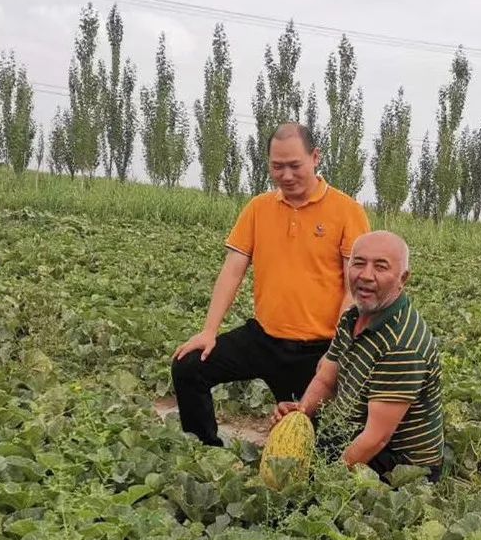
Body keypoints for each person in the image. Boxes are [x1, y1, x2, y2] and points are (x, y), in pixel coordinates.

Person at [171, 122, 371, 447]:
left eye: (295, 165)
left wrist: (336, 351)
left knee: (317, 447)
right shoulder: (258, 208)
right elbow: (232, 271)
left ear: (315, 157)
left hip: (316, 350)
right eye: (277, 167)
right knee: (189, 366)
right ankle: (206, 452)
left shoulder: (347, 212)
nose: (286, 175)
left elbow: (354, 287)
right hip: (263, 339)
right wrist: (209, 331)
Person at [272, 230, 444, 484]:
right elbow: (326, 379)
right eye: (359, 263)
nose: (366, 275)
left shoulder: (402, 346)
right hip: (354, 432)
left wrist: (323, 482)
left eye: (381, 267)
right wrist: (301, 412)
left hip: (399, 463)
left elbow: (377, 438)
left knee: (306, 498)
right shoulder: (352, 316)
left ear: (403, 278)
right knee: (285, 465)